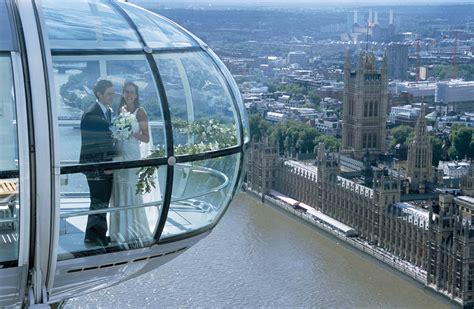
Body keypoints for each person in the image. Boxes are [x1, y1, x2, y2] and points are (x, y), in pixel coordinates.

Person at [109, 81, 153, 245]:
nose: (129, 94)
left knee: (130, 189)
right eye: (126, 91)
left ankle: (133, 231)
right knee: (119, 189)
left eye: (132, 92)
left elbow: (146, 137)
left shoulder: (140, 112)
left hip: (132, 154)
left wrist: (130, 132)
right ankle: (120, 230)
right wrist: (118, 133)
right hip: (119, 153)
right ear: (123, 93)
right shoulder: (120, 110)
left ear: (136, 95)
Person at [80, 79, 116, 246]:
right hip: (97, 166)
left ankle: (95, 235)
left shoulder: (106, 111)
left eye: (112, 93)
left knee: (101, 200)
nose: (112, 96)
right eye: (109, 93)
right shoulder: (91, 114)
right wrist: (107, 166)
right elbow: (100, 145)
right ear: (99, 94)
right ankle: (96, 236)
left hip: (102, 165)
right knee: (99, 200)